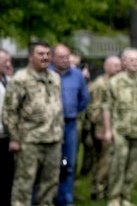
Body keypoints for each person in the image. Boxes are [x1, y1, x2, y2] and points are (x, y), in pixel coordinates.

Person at [2, 40, 64, 206]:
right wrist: (14, 138)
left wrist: (60, 133)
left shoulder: (55, 78)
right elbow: (9, 110)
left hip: (53, 140)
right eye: (40, 54)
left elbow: (57, 107)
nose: (45, 57)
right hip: (29, 141)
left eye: (47, 54)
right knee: (24, 183)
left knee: (50, 183)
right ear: (30, 57)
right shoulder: (20, 79)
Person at [102, 47, 137, 206]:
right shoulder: (114, 82)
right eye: (132, 60)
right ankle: (113, 197)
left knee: (134, 166)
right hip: (120, 131)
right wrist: (107, 130)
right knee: (118, 165)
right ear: (124, 62)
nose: (135, 63)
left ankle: (125, 196)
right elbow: (106, 107)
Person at [48, 44, 90, 206]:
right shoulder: (48, 74)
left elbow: (84, 98)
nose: (66, 60)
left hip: (69, 125)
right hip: (50, 126)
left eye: (67, 56)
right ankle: (46, 198)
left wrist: (72, 112)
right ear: (53, 58)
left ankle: (66, 199)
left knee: (67, 162)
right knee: (50, 163)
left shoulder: (77, 75)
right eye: (61, 57)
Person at [85, 55, 122, 200]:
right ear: (106, 67)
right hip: (102, 130)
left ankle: (107, 188)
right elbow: (93, 109)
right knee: (103, 162)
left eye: (119, 65)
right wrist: (100, 129)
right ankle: (98, 190)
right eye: (115, 66)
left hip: (115, 128)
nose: (118, 68)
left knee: (111, 161)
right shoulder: (100, 85)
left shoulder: (117, 83)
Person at [0, 49, 14, 206]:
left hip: (7, 137)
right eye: (5, 62)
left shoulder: (8, 80)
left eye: (9, 61)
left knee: (7, 176)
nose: (9, 65)